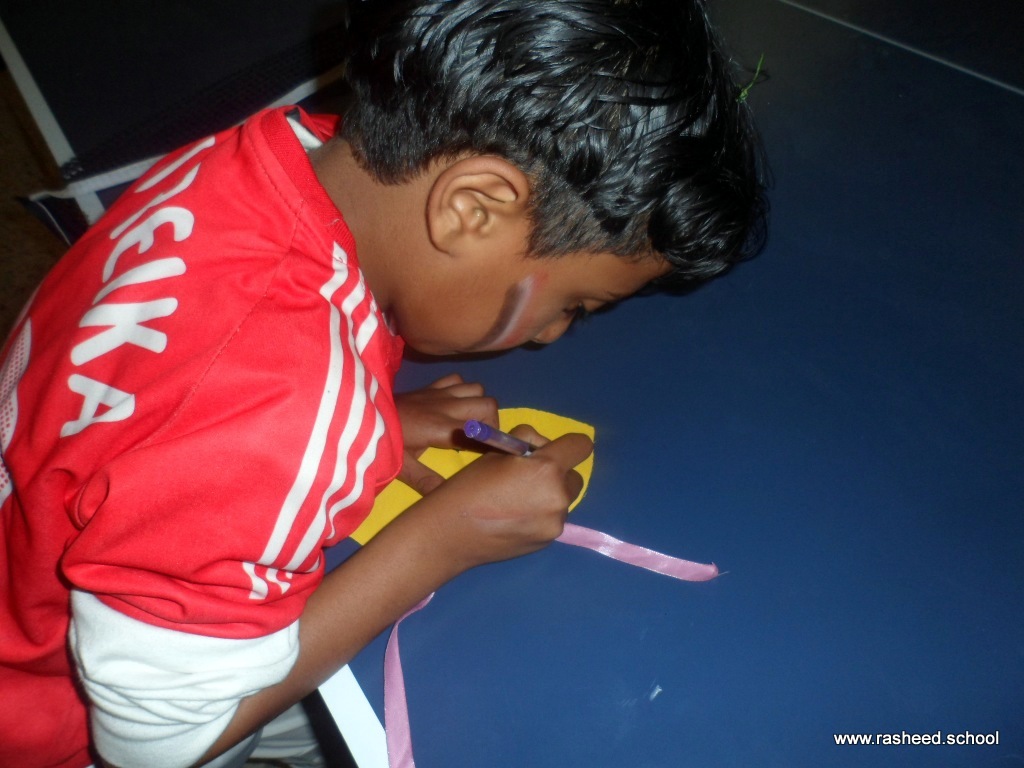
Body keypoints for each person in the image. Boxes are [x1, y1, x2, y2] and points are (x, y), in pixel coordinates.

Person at [0, 0, 767, 766]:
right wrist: (442, 540)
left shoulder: (253, 154)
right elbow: (159, 748)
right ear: (471, 209)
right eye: (574, 304)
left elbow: (176, 382)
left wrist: (370, 419)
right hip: (48, 718)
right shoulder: (280, 409)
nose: (553, 333)